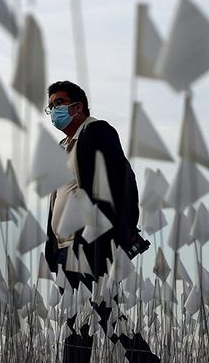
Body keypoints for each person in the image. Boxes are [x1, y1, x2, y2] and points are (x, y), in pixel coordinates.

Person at [42, 80, 158, 363]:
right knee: (78, 319)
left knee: (103, 311)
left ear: (77, 106)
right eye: (51, 106)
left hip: (90, 242)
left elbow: (122, 181)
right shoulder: (62, 148)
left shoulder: (97, 132)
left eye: (58, 103)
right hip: (63, 248)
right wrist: (51, 246)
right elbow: (58, 198)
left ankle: (146, 360)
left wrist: (119, 232)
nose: (54, 110)